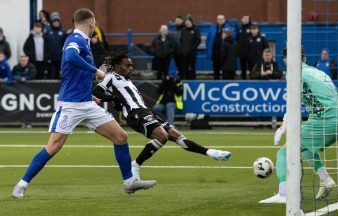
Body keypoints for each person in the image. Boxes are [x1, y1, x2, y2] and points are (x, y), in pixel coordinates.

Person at [12, 8, 156, 199]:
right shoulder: (75, 39)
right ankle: (21, 185)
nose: (95, 25)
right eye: (95, 23)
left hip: (87, 103)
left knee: (120, 137)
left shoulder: (84, 42)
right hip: (70, 105)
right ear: (91, 23)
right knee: (54, 146)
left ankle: (129, 182)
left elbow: (76, 74)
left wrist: (89, 95)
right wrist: (97, 71)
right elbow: (71, 58)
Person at [259, 48, 338, 204]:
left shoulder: (294, 74)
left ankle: (284, 194)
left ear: (286, 60)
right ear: (305, 59)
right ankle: (325, 180)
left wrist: (282, 127)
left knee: (284, 152)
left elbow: (292, 105)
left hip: (325, 120)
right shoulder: (321, 73)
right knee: (306, 148)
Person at [92, 53, 232, 181]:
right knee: (162, 136)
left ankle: (210, 152)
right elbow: (97, 92)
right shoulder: (111, 76)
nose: (131, 68)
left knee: (178, 137)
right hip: (136, 114)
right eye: (127, 65)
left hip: (148, 112)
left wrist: (116, 100)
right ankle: (136, 165)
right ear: (117, 66)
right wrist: (113, 98)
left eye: (132, 66)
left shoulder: (128, 82)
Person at [206, 15, 235, 80]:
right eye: (219, 19)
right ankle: (216, 82)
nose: (220, 20)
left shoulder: (229, 28)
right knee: (216, 70)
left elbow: (232, 39)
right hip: (215, 53)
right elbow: (208, 40)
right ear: (216, 20)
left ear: (224, 20)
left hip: (225, 54)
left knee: (225, 71)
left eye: (221, 19)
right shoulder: (212, 28)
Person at [178, 15, 201, 80]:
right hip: (184, 53)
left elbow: (198, 40)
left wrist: (193, 48)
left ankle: (193, 80)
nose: (187, 23)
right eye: (186, 21)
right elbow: (181, 40)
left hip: (192, 53)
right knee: (185, 67)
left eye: (188, 21)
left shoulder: (195, 30)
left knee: (192, 67)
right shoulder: (183, 30)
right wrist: (181, 49)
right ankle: (187, 79)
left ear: (191, 22)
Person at [47, 12, 67, 79]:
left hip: (60, 58)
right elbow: (46, 45)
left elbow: (65, 45)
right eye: (54, 21)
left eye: (57, 21)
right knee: (50, 74)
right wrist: (47, 55)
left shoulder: (63, 32)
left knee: (60, 75)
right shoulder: (48, 32)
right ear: (52, 22)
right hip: (50, 58)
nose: (56, 23)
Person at [236, 15, 252, 79]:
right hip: (242, 52)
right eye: (244, 18)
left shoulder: (251, 28)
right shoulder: (239, 29)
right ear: (241, 19)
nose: (245, 20)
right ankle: (243, 80)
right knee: (243, 68)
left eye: (247, 18)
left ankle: (252, 81)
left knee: (251, 67)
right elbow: (237, 39)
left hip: (250, 52)